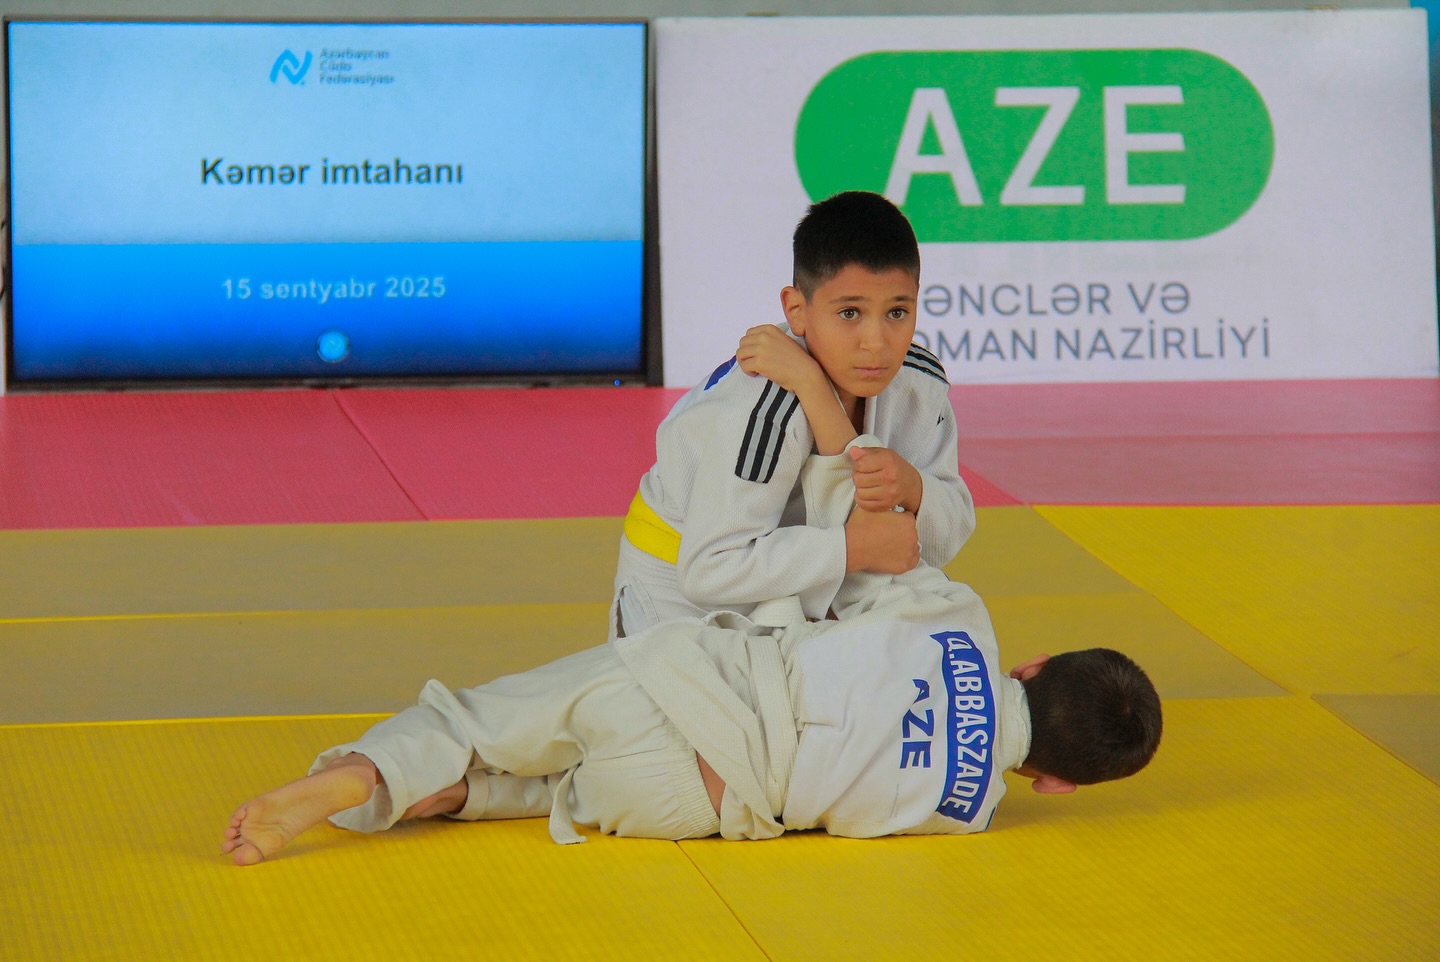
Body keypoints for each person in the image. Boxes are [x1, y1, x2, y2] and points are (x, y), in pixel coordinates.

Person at [223, 440, 1160, 864]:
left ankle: (349, 782)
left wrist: (816, 406)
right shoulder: (962, 816)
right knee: (567, 790)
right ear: (1055, 783)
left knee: (482, 720)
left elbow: (864, 519)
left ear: (1032, 664)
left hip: (682, 690)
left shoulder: (960, 623)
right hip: (690, 809)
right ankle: (459, 798)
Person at [611, 190, 975, 640]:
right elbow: (709, 570)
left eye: (897, 312)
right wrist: (852, 547)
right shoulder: (764, 404)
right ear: (796, 310)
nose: (876, 342)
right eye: (850, 313)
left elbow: (940, 539)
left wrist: (913, 486)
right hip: (676, 591)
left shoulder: (920, 386)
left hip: (796, 582)